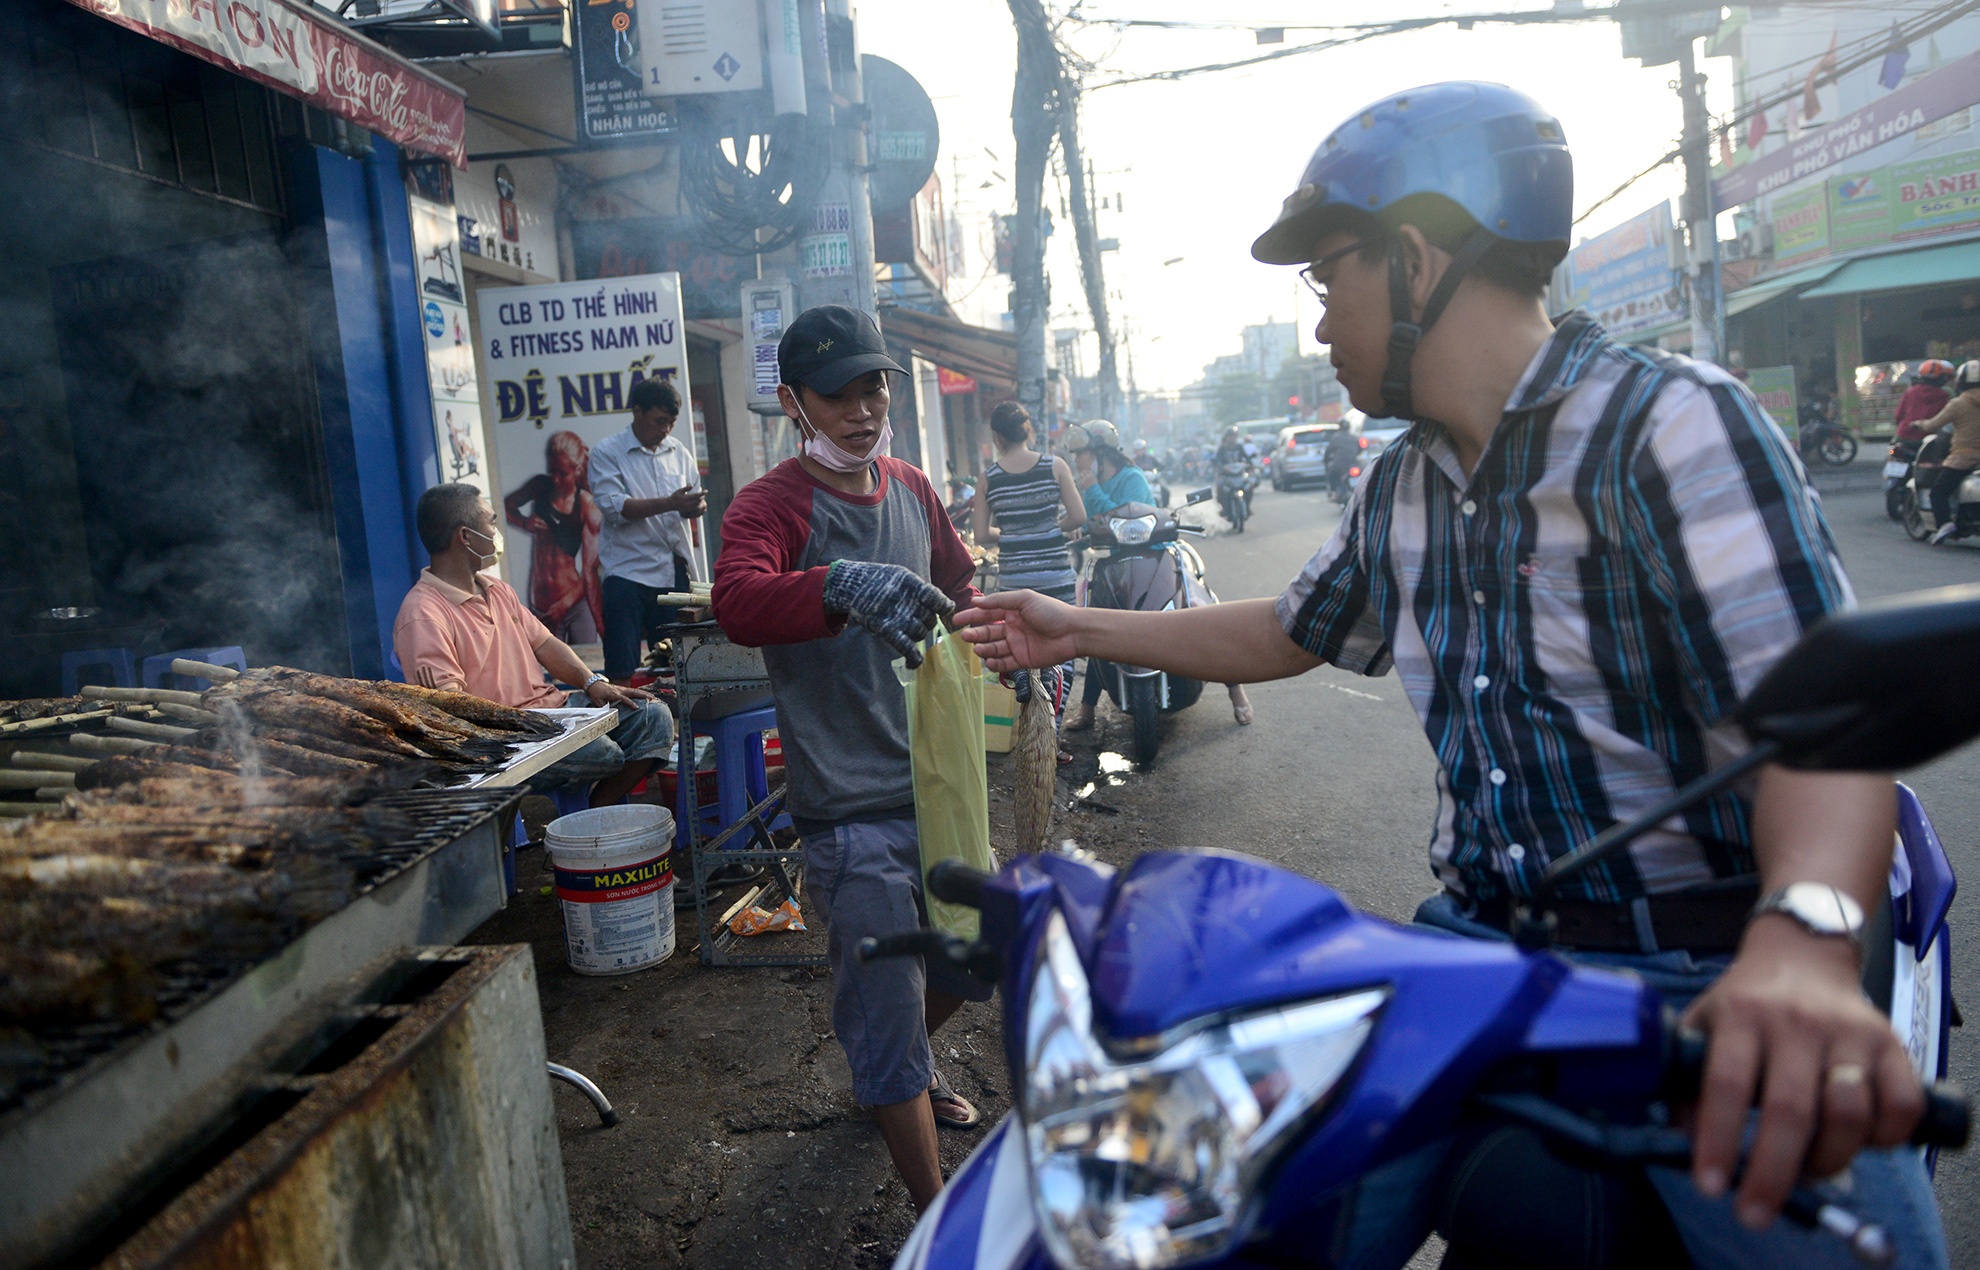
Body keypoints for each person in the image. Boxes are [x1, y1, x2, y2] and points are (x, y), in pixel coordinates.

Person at [955, 82, 1941, 1267]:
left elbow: (1825, 727)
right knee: (1192, 1217)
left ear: (1416, 258)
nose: (1321, 325)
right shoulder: (1404, 485)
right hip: (1473, 956)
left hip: (1705, 974)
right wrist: (1078, 625)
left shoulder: (1672, 427)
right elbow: (1291, 626)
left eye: (1330, 279)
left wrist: (1806, 941)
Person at [710, 304, 988, 1216]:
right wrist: (836, 584)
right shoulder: (770, 505)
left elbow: (960, 584)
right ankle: (936, 1220)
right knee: (888, 1002)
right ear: (794, 403)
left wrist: (1012, 654)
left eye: (874, 385)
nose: (863, 408)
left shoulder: (910, 485)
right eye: (839, 393)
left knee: (969, 958)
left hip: (940, 786)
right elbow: (738, 603)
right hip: (849, 806)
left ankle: (890, 1069)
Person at [394, 483, 674, 807]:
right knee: (601, 752)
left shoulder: (497, 589)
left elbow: (545, 643)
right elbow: (452, 710)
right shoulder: (421, 615)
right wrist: (530, 725)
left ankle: (598, 809)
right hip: (507, 738)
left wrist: (593, 682)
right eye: (492, 522)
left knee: (653, 717)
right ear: (465, 537)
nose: (496, 530)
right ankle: (575, 828)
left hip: (554, 712)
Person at [1063, 421, 1255, 730]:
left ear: (1099, 453)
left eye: (1081, 453)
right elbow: (1094, 522)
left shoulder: (1131, 477)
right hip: (1115, 566)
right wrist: (1079, 527)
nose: (1077, 460)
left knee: (1201, 611)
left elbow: (1125, 517)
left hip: (1155, 557)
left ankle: (1236, 691)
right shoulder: (1089, 484)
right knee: (1094, 623)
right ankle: (1087, 709)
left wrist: (1094, 493)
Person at [974, 402, 1081, 759]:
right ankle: (1051, 734)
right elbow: (1078, 516)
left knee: (1027, 654)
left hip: (1017, 581)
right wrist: (1049, 528)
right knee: (1066, 650)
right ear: (1028, 430)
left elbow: (981, 535)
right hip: (1056, 574)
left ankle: (1030, 728)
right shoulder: (1055, 466)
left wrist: (1011, 532)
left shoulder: (990, 476)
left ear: (997, 436)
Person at [588, 378, 708, 683]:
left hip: (672, 570)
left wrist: (693, 507)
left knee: (677, 664)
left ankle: (679, 727)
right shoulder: (607, 452)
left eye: (671, 422)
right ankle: (628, 726)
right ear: (637, 412)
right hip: (626, 571)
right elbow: (618, 508)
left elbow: (691, 500)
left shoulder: (678, 451)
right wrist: (670, 502)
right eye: (659, 421)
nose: (666, 429)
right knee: (622, 668)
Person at [504, 430, 604, 643]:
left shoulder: (585, 504)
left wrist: (564, 605)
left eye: (562, 474)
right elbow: (504, 505)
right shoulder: (540, 486)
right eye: (552, 472)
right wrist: (524, 522)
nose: (556, 480)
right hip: (541, 606)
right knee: (543, 671)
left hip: (574, 604)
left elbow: (590, 569)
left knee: (587, 669)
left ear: (577, 470)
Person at [1917, 359, 1980, 545]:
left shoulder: (1958, 404)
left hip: (1963, 458)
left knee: (1938, 492)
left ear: (1961, 381)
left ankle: (1945, 524)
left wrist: (1918, 424)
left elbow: (1933, 424)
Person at [1894, 360, 1955, 444]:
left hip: (1905, 435)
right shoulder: (1944, 395)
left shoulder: (1911, 392)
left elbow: (1898, 416)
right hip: (1931, 439)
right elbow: (1946, 420)